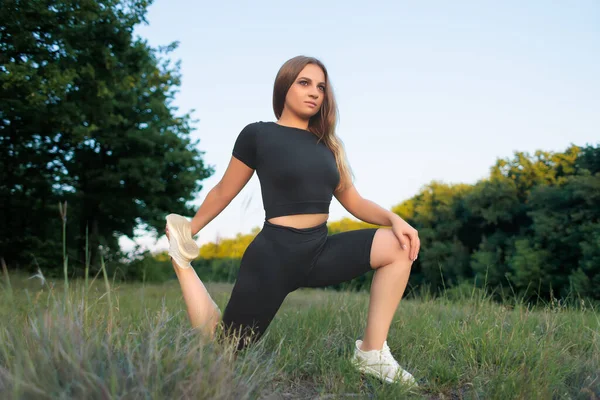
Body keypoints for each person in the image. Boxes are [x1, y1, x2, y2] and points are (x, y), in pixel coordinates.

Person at [164, 55, 420, 385]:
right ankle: (181, 263)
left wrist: (393, 219)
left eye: (321, 87)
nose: (314, 92)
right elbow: (224, 190)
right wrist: (188, 231)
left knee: (399, 245)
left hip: (318, 249)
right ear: (284, 86)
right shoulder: (257, 135)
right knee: (226, 348)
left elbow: (353, 201)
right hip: (272, 256)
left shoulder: (329, 146)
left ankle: (371, 353)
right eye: (304, 83)